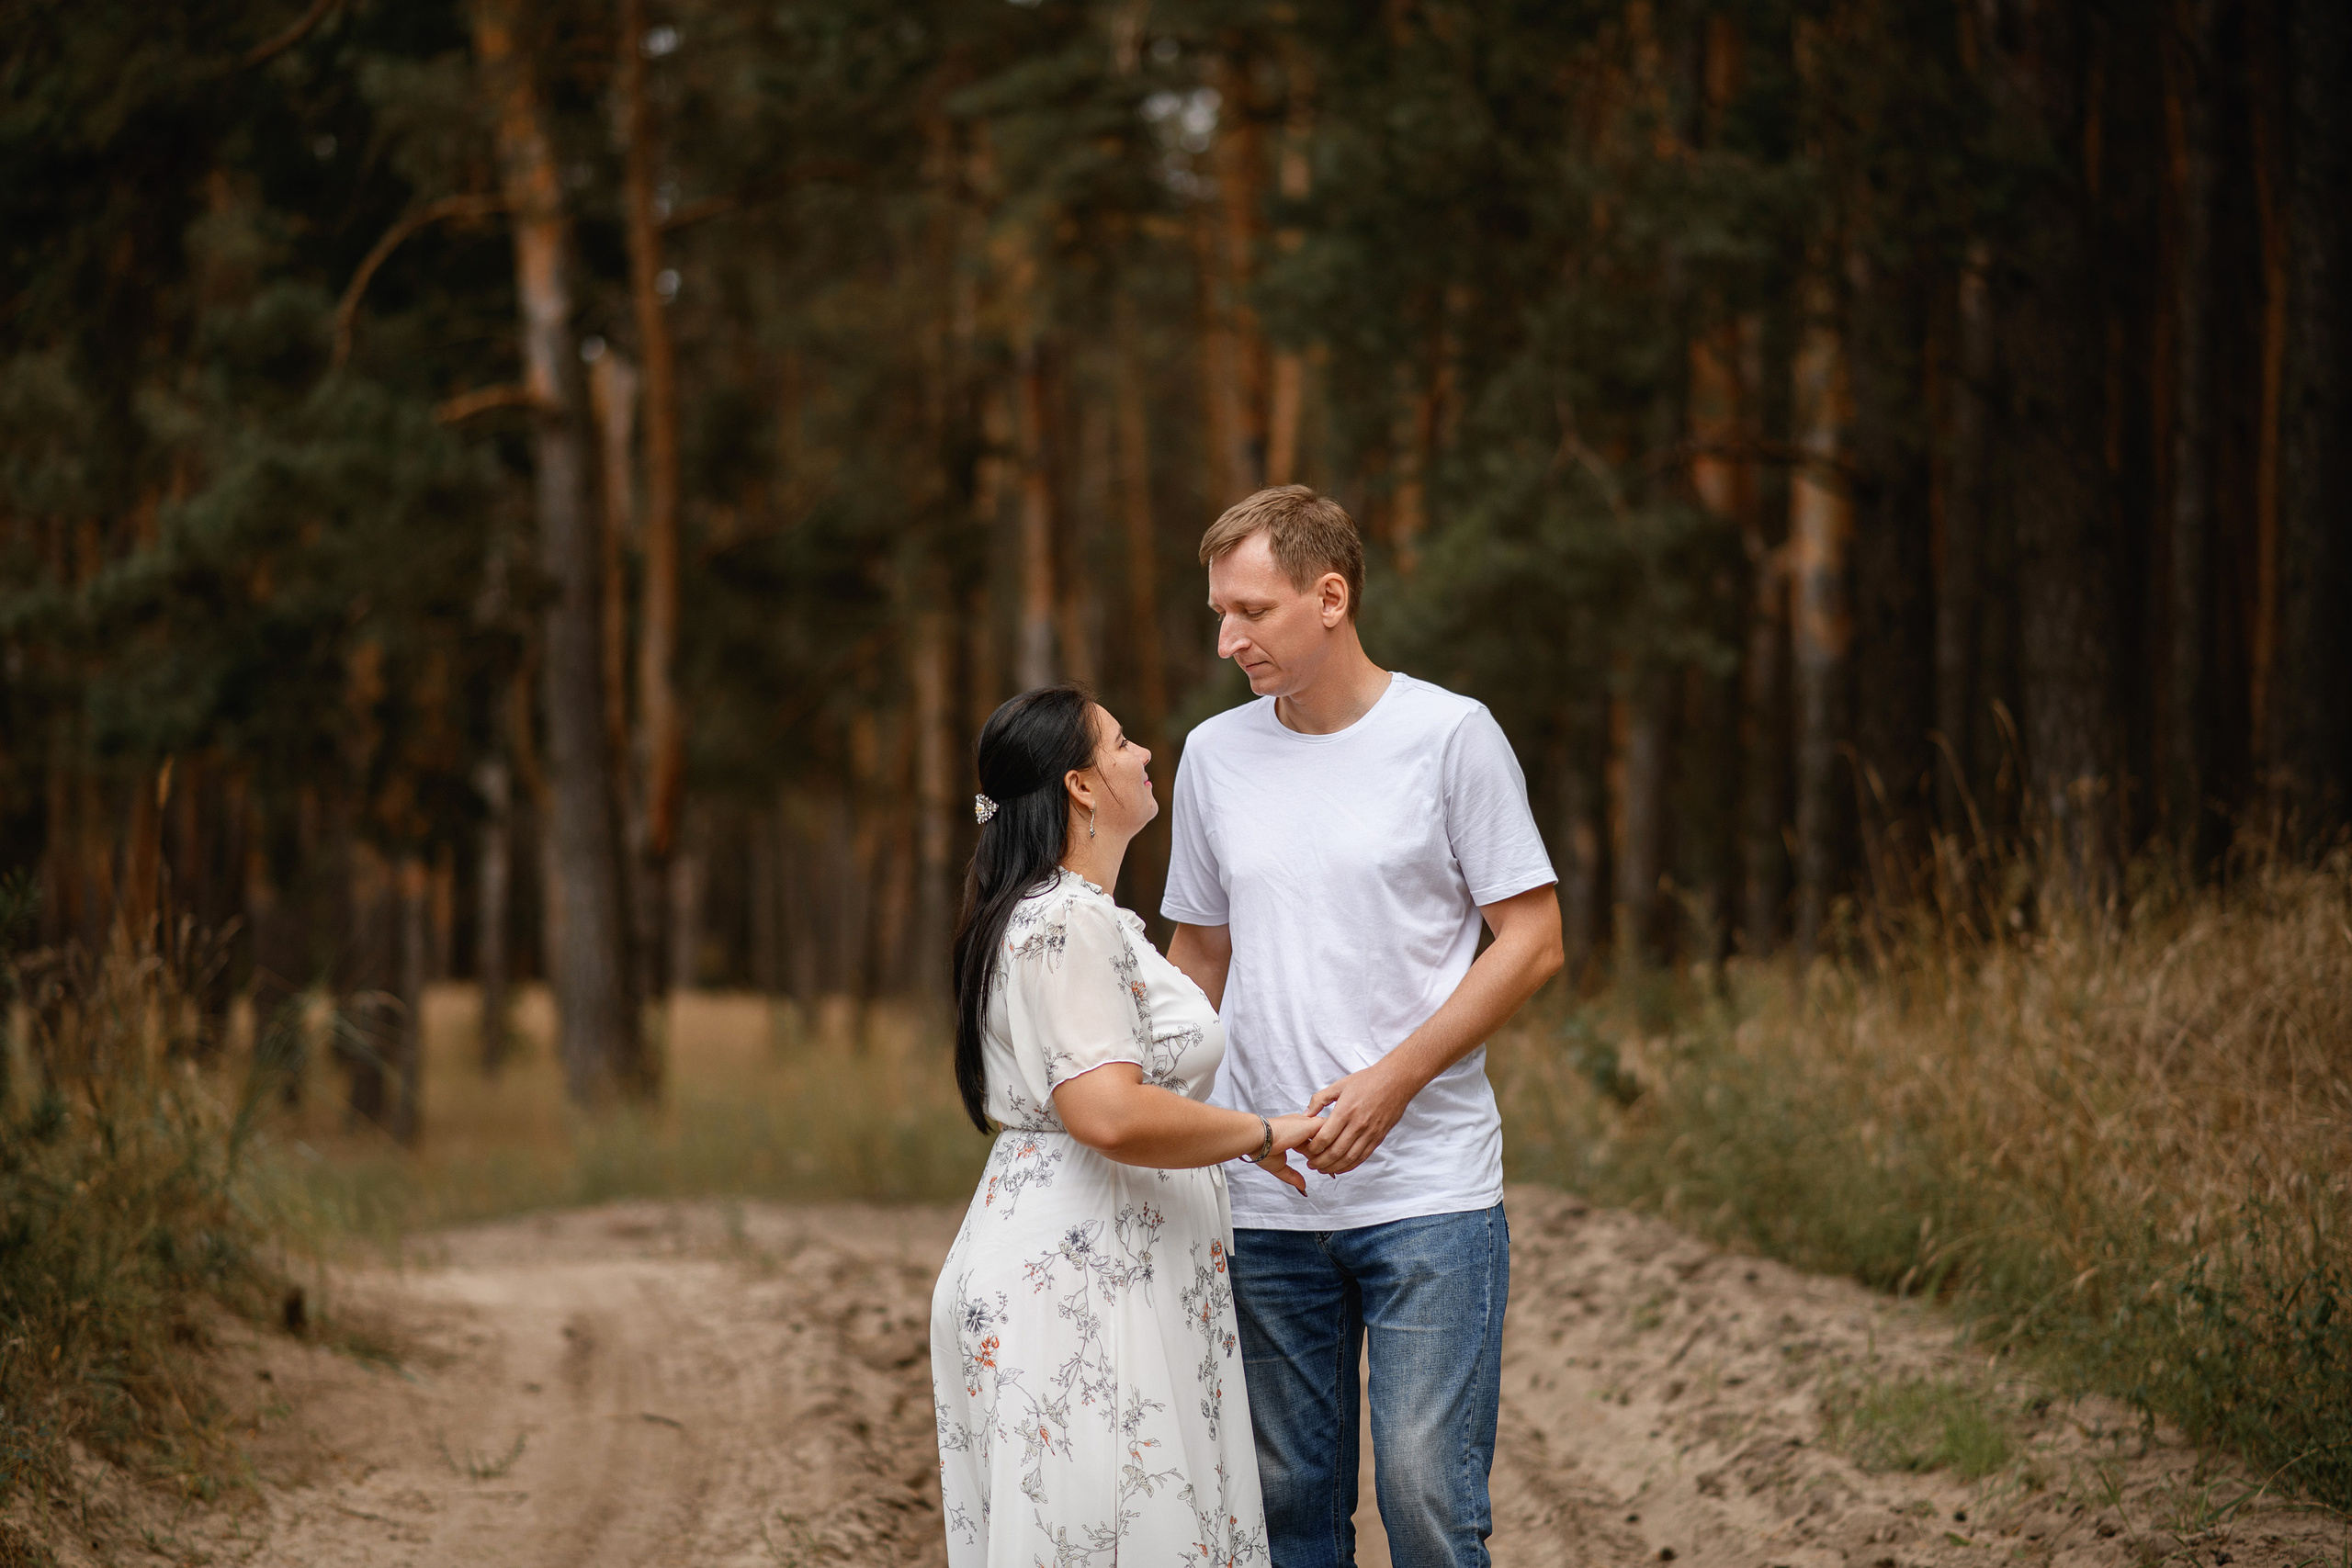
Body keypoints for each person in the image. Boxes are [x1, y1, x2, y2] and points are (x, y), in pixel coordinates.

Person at [1163, 487, 1565, 1568]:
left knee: (1429, 1501)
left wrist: (1391, 1083)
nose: (1225, 638)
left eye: (1249, 610)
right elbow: (1197, 959)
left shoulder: (1449, 737)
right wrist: (1171, 1123)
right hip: (1267, 1193)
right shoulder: (1213, 756)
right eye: (1218, 612)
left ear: (1329, 596)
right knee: (1292, 1515)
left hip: (1427, 1187)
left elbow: (1531, 940)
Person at [930, 683, 1323, 1568]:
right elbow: (1105, 1110)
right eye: (1121, 741)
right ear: (1079, 784)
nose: (1146, 754)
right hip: (1084, 1282)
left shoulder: (1059, 913)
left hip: (1073, 1257)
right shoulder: (1067, 919)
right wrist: (1264, 1133)